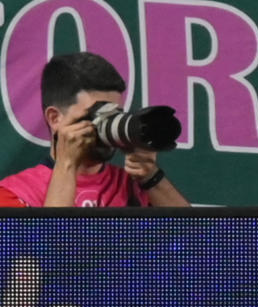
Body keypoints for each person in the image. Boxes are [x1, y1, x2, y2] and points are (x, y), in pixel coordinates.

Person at [0, 53, 191, 208]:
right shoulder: (14, 193)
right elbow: (51, 252)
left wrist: (151, 176)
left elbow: (200, 244)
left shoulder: (133, 188)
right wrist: (66, 165)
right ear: (55, 118)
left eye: (115, 115)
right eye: (95, 116)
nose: (105, 126)